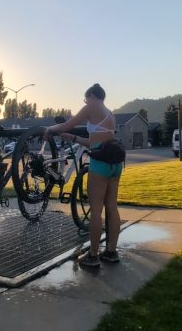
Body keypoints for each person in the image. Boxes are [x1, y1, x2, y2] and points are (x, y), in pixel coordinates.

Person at [44, 83, 122, 268]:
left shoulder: (91, 106)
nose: (85, 101)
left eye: (86, 98)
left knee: (95, 210)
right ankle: (111, 251)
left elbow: (68, 124)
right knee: (111, 206)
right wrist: (72, 138)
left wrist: (50, 129)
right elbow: (95, 140)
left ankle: (93, 255)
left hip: (100, 164)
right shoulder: (109, 114)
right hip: (115, 163)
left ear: (92, 96)